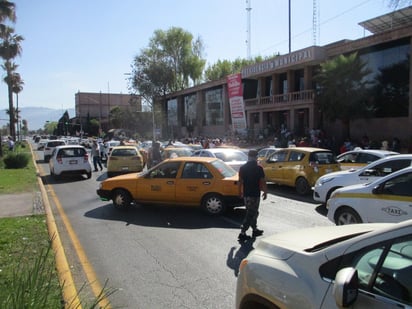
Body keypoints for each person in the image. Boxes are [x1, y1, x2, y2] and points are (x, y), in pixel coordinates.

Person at [238, 149, 268, 241]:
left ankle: (254, 229)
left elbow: (240, 182)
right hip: (255, 194)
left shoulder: (243, 168)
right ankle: (242, 232)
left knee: (253, 212)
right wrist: (265, 192)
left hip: (247, 194)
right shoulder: (259, 168)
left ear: (248, 157)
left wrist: (240, 192)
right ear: (256, 157)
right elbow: (263, 181)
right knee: (251, 213)